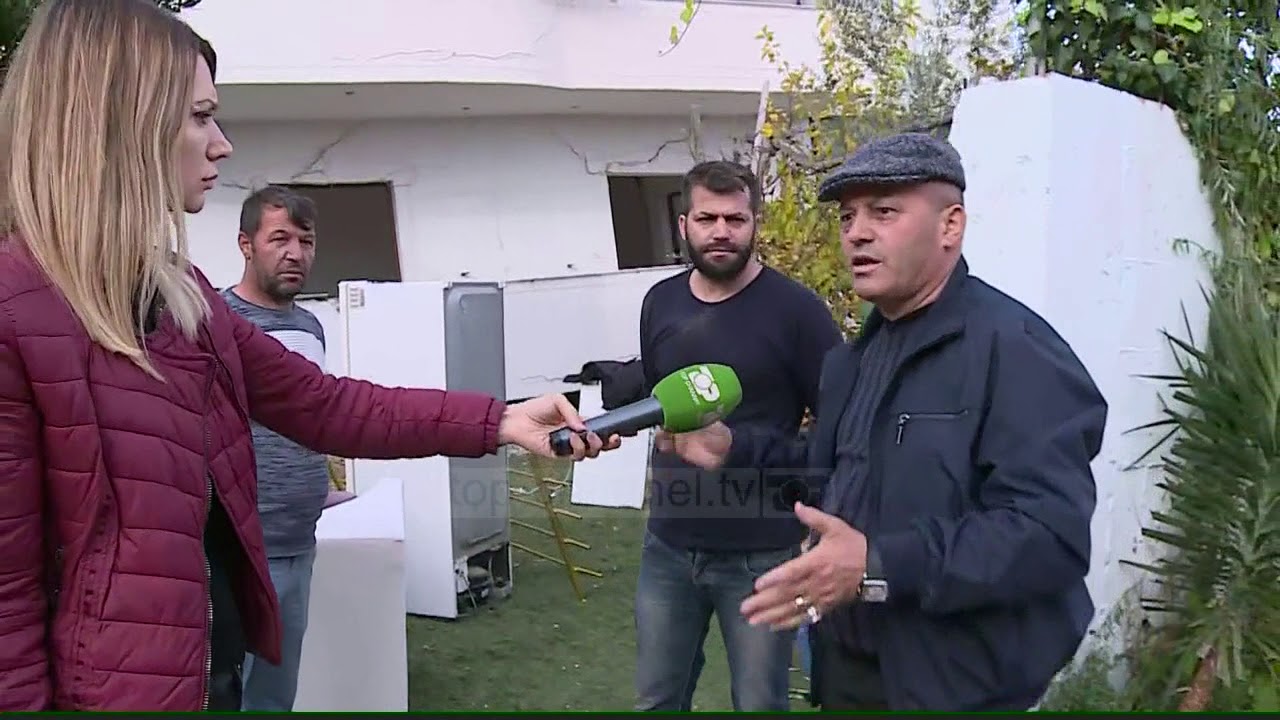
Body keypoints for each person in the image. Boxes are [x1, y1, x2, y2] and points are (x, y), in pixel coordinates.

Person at [0, 0, 614, 711]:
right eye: (200, 117)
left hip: (209, 678)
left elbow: (325, 405)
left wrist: (500, 420)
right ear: (121, 120)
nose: (222, 145)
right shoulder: (17, 309)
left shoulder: (180, 295)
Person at [656, 133, 1107, 711]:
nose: (857, 233)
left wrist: (876, 564)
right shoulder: (856, 360)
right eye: (848, 217)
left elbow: (1049, 536)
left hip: (955, 688)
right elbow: (831, 475)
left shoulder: (1015, 350)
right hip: (851, 674)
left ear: (950, 226)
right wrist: (732, 448)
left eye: (884, 212)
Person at [634, 160, 842, 711]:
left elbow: (838, 439)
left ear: (755, 224)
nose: (721, 232)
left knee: (759, 707)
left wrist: (738, 450)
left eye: (736, 219)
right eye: (707, 219)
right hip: (668, 546)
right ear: (684, 225)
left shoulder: (799, 313)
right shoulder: (660, 302)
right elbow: (661, 396)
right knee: (656, 702)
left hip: (762, 555)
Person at [221, 186, 327, 711]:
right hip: (237, 546)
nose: (295, 253)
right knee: (224, 688)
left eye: (305, 241)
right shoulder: (216, 322)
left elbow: (316, 418)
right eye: (279, 239)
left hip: (299, 539)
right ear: (246, 244)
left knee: (273, 696)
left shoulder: (310, 326)